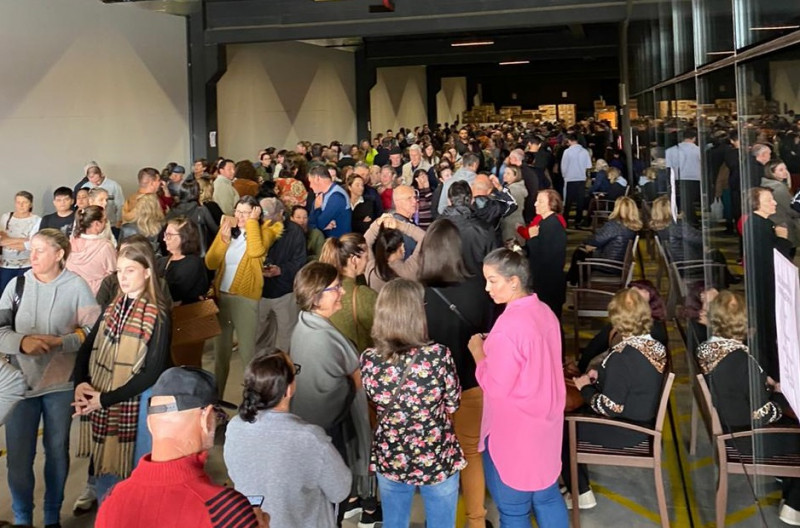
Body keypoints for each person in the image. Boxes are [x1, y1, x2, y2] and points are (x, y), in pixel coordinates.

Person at [0, 229, 100, 528]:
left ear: (59, 254)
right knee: (18, 457)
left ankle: (52, 516)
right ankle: (22, 518)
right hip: (20, 385)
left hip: (61, 383)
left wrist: (61, 342)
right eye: (32, 249)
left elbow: (93, 331)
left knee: (56, 451)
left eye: (40, 250)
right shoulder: (17, 285)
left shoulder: (76, 286)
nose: (32, 256)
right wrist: (22, 342)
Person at [467, 248, 568, 527]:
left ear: (514, 281)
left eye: (493, 281)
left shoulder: (508, 326)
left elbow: (495, 387)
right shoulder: (544, 311)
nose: (487, 288)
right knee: (548, 497)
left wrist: (478, 352)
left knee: (514, 512)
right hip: (546, 427)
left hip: (513, 434)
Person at [95, 366, 265, 528]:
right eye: (217, 415)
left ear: (150, 424)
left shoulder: (110, 500)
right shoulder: (228, 512)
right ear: (206, 419)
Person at [73, 240, 172, 501]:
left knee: (135, 469)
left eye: (130, 270)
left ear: (147, 272)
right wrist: (80, 382)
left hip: (138, 401)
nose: (123, 277)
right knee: (106, 469)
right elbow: (87, 347)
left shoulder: (158, 314)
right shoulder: (112, 308)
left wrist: (105, 399)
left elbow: (152, 372)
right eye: (119, 271)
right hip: (106, 396)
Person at [361, 279, 465, 527]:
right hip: (436, 454)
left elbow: (372, 401)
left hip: (391, 452)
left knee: (394, 522)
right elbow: (453, 403)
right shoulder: (438, 356)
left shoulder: (369, 359)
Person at [695, 291, 800, 525]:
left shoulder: (707, 349)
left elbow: (737, 387)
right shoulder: (743, 361)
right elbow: (761, 413)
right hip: (746, 438)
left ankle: (788, 480)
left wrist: (766, 385)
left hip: (730, 427)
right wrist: (783, 399)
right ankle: (794, 505)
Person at [289, 262, 381, 526]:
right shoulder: (320, 339)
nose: (342, 292)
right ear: (316, 296)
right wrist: (354, 381)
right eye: (335, 288)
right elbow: (326, 395)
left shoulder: (306, 324)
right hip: (331, 432)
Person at [418, 218, 492, 528]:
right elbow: (490, 333)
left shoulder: (419, 293)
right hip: (472, 382)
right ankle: (476, 520)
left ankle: (440, 520)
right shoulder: (479, 288)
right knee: (471, 454)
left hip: (431, 390)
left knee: (436, 455)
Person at [225, 354, 351, 528]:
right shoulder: (309, 437)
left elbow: (235, 474)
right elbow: (340, 490)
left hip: (253, 521)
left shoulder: (234, 427)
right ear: (288, 390)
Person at [568, 288, 667, 508]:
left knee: (561, 430)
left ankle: (581, 493)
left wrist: (585, 388)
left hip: (626, 430)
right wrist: (601, 375)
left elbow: (609, 407)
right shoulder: (654, 346)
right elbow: (633, 379)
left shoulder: (623, 357)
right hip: (642, 422)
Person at [205, 196, 283, 397]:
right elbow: (211, 262)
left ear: (255, 213)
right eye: (238, 211)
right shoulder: (229, 231)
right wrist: (222, 240)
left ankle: (252, 399)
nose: (240, 217)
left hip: (245, 299)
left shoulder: (265, 232)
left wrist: (252, 223)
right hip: (222, 297)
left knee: (247, 353)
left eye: (246, 213)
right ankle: (216, 399)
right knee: (221, 353)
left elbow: (256, 251)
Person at [744, 187, 792, 380]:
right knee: (769, 330)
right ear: (757, 204)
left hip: (763, 284)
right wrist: (782, 239)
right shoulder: (760, 227)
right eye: (769, 200)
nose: (774, 203)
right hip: (767, 287)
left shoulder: (758, 224)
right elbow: (774, 260)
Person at [158, 217, 210, 366]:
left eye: (169, 235)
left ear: (184, 237)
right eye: (165, 234)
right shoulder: (163, 261)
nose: (164, 239)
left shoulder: (192, 263)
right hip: (169, 322)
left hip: (187, 321)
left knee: (186, 363)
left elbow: (175, 293)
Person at [256, 198, 305, 356]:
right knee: (259, 336)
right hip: (260, 292)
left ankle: (285, 367)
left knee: (287, 338)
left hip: (285, 292)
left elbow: (300, 262)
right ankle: (261, 367)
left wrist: (280, 270)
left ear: (281, 213)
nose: (267, 222)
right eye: (263, 218)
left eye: (271, 218)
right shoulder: (257, 228)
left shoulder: (295, 232)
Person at [320, 233, 377, 353]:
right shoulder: (364, 295)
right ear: (354, 260)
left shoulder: (323, 290)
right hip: (358, 358)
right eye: (366, 257)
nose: (368, 261)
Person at [566, 196, 642, 285]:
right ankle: (572, 280)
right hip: (619, 264)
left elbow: (596, 240)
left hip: (608, 265)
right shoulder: (633, 227)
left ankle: (576, 283)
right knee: (582, 251)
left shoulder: (614, 225)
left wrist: (588, 244)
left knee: (580, 252)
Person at [441, 181, 497, 276]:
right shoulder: (485, 228)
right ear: (472, 200)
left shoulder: (436, 227)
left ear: (448, 201)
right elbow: (494, 263)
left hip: (444, 282)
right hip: (478, 281)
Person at [526, 190, 567, 319]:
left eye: (540, 201)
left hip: (548, 284)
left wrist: (533, 238)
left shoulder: (550, 225)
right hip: (550, 281)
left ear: (552, 204)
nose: (535, 204)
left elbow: (543, 256)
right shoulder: (548, 222)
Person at [364, 214, 425, 292]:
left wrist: (377, 224)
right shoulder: (410, 270)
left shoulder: (372, 270)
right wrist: (400, 225)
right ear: (402, 247)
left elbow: (365, 243)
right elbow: (425, 238)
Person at [66, 205, 118, 296]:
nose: (106, 223)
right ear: (97, 224)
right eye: (105, 220)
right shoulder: (105, 246)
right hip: (98, 295)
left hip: (72, 293)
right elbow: (114, 272)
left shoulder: (70, 243)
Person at [0, 191, 41, 294]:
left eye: (25, 202)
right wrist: (24, 240)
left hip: (27, 265)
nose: (21, 205)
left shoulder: (37, 220)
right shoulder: (6, 217)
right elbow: (1, 240)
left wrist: (8, 240)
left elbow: (31, 244)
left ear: (30, 204)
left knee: (24, 293)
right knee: (4, 293)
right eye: (18, 202)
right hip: (6, 264)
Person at [166, 178, 220, 256]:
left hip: (176, 253)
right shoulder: (201, 211)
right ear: (197, 193)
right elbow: (215, 231)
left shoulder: (172, 212)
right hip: (198, 253)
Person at [761, 159, 800, 256]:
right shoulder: (779, 188)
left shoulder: (765, 184)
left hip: (774, 223)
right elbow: (791, 208)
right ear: (772, 173)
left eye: (785, 169)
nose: (785, 172)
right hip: (785, 225)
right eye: (781, 170)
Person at [665, 128, 702, 227]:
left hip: (678, 178)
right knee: (690, 201)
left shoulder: (671, 151)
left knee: (683, 201)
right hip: (695, 179)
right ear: (694, 138)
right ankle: (691, 221)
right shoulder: (699, 151)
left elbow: (668, 167)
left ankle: (688, 220)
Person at [308, 164, 352, 238]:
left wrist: (317, 210)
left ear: (317, 179)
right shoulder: (323, 195)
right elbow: (311, 224)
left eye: (310, 182)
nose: (310, 186)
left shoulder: (336, 197)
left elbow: (319, 223)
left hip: (340, 242)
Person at [560, 133, 592, 228]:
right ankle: (578, 221)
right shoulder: (584, 151)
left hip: (570, 178)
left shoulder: (567, 152)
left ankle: (565, 220)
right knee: (580, 201)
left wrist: (564, 176)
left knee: (568, 201)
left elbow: (564, 166)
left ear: (569, 141)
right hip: (581, 178)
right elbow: (588, 166)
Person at [82, 164, 125, 230]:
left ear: (101, 175)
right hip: (91, 224)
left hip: (111, 224)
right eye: (93, 182)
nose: (96, 184)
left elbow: (120, 205)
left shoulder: (114, 186)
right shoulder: (85, 187)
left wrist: (119, 220)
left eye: (98, 181)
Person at [500, 166, 528, 244]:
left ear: (516, 176)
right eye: (504, 173)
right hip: (510, 222)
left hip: (512, 224)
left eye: (508, 173)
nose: (504, 175)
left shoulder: (514, 190)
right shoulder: (508, 187)